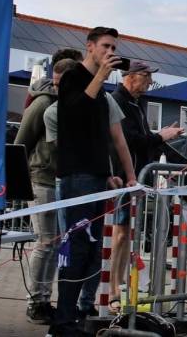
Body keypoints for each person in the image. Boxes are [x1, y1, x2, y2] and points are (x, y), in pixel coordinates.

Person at [52, 27, 139, 336]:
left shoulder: (101, 92)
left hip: (96, 177)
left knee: (91, 249)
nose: (110, 52)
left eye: (114, 47)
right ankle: (62, 321)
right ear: (90, 46)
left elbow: (106, 137)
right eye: (105, 46)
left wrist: (113, 173)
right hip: (76, 176)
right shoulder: (73, 77)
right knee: (76, 247)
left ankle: (77, 314)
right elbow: (75, 114)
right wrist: (100, 75)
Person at [108, 61, 185, 310]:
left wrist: (161, 137)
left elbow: (144, 140)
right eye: (146, 76)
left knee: (126, 233)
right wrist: (160, 136)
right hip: (123, 176)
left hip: (136, 177)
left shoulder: (137, 103)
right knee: (119, 233)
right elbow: (130, 140)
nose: (150, 82)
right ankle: (111, 289)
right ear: (130, 76)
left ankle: (119, 284)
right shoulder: (118, 100)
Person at [14, 48, 82, 324]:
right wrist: (19, 181)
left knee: (55, 244)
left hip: (62, 180)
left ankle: (44, 298)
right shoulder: (43, 103)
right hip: (41, 179)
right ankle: (35, 301)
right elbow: (21, 142)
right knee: (45, 242)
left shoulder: (74, 103)